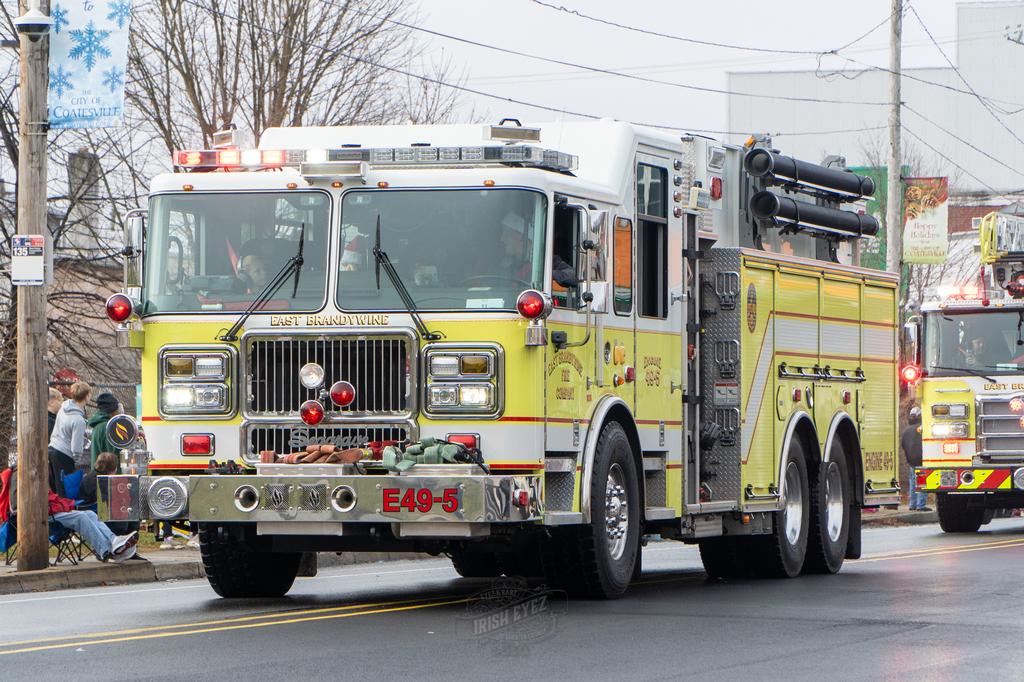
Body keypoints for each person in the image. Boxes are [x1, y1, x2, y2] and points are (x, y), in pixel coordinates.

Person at [49, 381, 91, 493]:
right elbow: (76, 447)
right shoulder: (78, 420)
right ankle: (66, 509)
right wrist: (76, 459)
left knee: (56, 487)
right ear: (87, 397)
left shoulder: (63, 408)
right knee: (66, 490)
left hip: (52, 448)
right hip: (64, 455)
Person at [901, 406, 930, 512]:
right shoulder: (923, 429)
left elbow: (903, 445)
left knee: (913, 483)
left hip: (911, 461)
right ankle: (921, 505)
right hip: (922, 460)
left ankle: (912, 504)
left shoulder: (906, 431)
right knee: (922, 482)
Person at [88, 393, 120, 470]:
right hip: (107, 475)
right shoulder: (108, 427)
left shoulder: (99, 425)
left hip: (99, 473)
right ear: (113, 410)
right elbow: (112, 455)